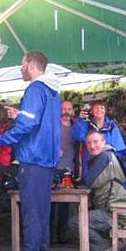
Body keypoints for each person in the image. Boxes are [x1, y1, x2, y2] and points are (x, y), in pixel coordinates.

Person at [0, 51, 61, 251]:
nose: (21, 68)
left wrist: (1, 139)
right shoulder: (53, 92)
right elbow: (39, 121)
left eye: (22, 64)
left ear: (31, 65)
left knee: (32, 212)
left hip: (33, 159)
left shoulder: (35, 88)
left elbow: (29, 125)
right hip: (47, 160)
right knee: (41, 211)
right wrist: (20, 114)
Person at [68, 130, 126, 251]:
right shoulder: (103, 157)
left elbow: (89, 182)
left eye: (95, 141)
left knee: (76, 222)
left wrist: (76, 182)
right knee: (84, 219)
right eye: (89, 143)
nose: (92, 146)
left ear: (103, 142)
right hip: (114, 209)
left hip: (116, 212)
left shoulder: (105, 157)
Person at [71, 100, 125, 176]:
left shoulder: (112, 126)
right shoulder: (87, 124)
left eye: (102, 108)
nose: (99, 110)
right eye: (96, 108)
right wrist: (80, 119)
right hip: (90, 164)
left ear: (105, 111)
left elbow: (119, 147)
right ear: (92, 111)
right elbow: (76, 135)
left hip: (109, 165)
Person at [52, 99, 78, 243]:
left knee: (65, 205)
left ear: (72, 111)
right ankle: (50, 236)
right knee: (51, 204)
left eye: (69, 109)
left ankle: (62, 236)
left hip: (70, 169)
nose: (66, 111)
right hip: (54, 169)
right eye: (63, 108)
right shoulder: (53, 126)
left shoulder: (76, 127)